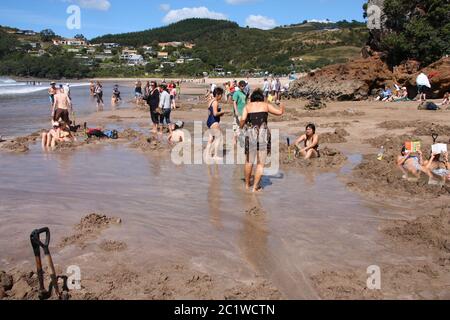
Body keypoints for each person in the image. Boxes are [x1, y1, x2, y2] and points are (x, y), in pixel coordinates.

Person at [240, 89, 285, 192]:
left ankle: (247, 185)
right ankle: (255, 187)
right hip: (263, 133)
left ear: (252, 98)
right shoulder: (266, 105)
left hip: (251, 133)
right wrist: (281, 104)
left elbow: (242, 120)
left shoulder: (247, 106)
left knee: (249, 161)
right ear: (261, 97)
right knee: (260, 163)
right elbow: (280, 112)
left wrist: (241, 127)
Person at [206, 87, 225, 161]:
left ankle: (208, 154)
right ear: (217, 94)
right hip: (214, 121)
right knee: (219, 138)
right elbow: (215, 113)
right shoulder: (215, 102)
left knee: (211, 139)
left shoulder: (210, 101)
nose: (222, 96)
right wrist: (222, 112)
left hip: (209, 121)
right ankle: (215, 155)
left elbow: (209, 113)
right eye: (221, 95)